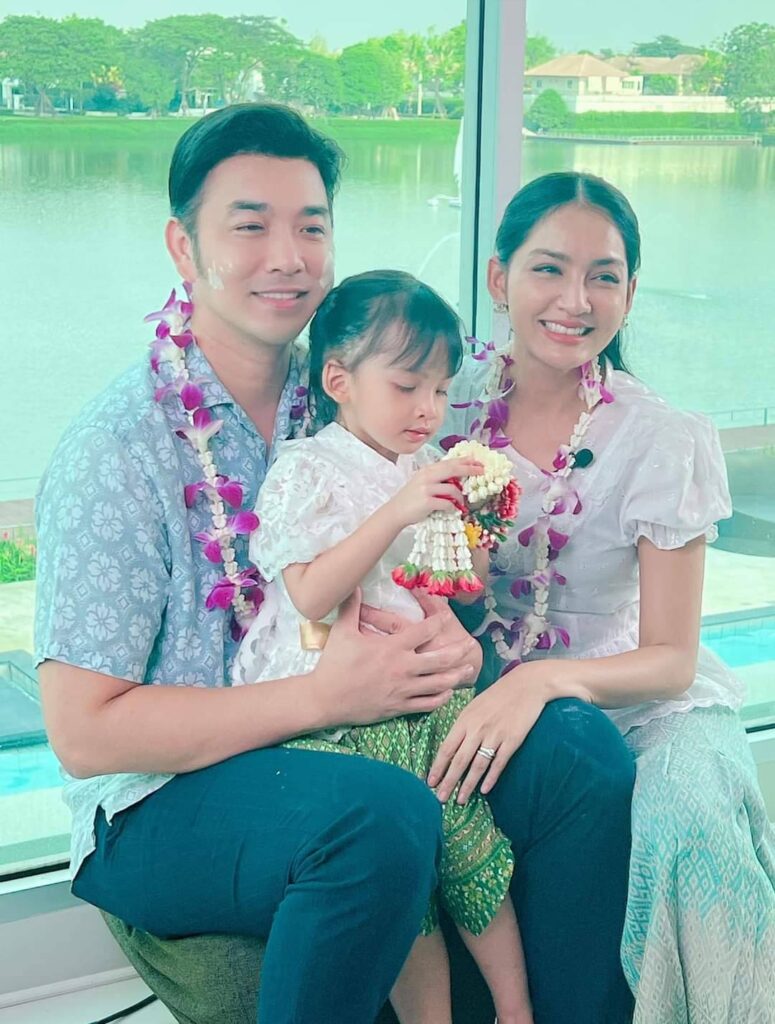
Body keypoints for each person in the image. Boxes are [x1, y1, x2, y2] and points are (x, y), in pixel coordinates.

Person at [34, 104, 635, 1024]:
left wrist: (453, 645)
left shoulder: (357, 395)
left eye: (310, 227)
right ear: (183, 247)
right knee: (379, 813)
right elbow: (85, 736)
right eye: (250, 226)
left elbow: (427, 569)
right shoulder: (117, 450)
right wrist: (326, 697)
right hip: (163, 799)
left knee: (576, 753)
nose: (288, 256)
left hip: (371, 732)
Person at [434, 170, 775, 1024]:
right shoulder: (439, 404)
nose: (574, 300)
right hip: (474, 690)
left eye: (603, 276)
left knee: (693, 820)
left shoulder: (660, 437)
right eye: (548, 269)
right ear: (498, 277)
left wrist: (542, 680)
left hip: (638, 701)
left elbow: (669, 660)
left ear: (629, 292)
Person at [233, 268, 532, 1024]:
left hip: (415, 688)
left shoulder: (421, 466)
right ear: (339, 379)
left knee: (467, 841)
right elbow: (309, 593)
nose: (427, 408)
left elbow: (456, 586)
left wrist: (478, 522)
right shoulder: (307, 468)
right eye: (406, 386)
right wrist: (398, 509)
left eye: (440, 389)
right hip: (334, 708)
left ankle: (515, 1010)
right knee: (407, 871)